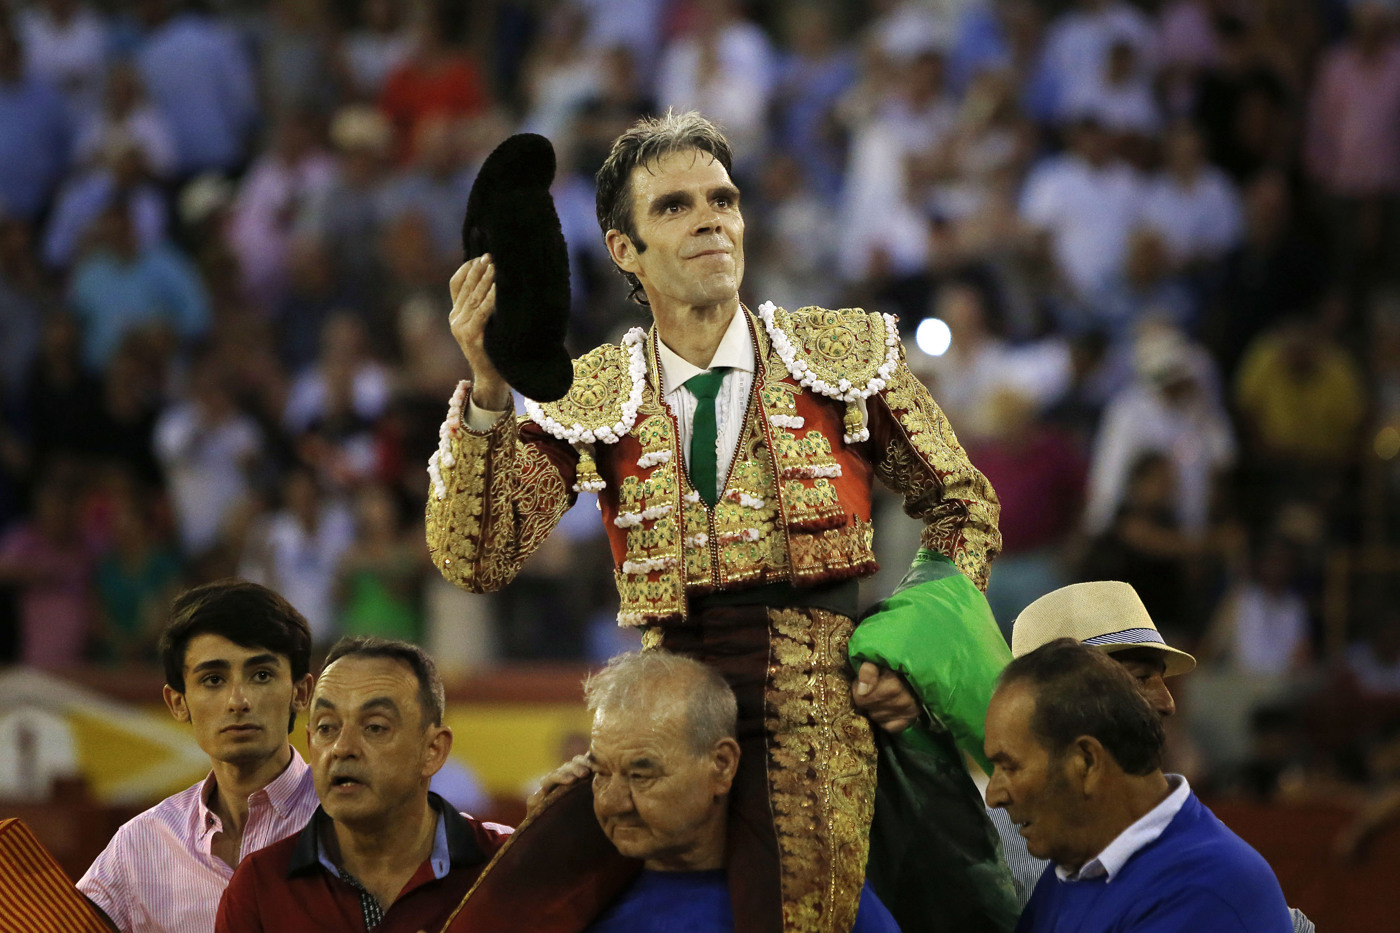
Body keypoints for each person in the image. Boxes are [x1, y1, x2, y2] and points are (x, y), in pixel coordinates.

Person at [427, 110, 1010, 932]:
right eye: (674, 206)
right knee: (504, 913)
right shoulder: (594, 391)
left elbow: (963, 503)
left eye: (723, 200)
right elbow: (477, 558)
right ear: (624, 249)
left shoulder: (837, 354)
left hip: (818, 703)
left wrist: (906, 648)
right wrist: (490, 388)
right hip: (660, 710)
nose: (709, 219)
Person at [1001, 581, 1315, 932]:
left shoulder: (1191, 844)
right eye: (1141, 679)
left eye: (1160, 679)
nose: (1168, 703)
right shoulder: (992, 840)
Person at [576, 650, 897, 932]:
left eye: (640, 776)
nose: (610, 803)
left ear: (722, 765)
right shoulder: (568, 900)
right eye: (600, 773)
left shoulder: (820, 903)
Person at [215, 636, 512, 932]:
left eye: (374, 727)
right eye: (326, 727)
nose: (342, 748)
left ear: (432, 750)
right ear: (310, 742)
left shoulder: (508, 867)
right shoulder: (260, 885)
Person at [76, 579, 319, 933]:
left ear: (301, 692)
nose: (238, 701)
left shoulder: (353, 821)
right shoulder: (141, 843)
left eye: (262, 675)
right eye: (213, 680)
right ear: (178, 703)